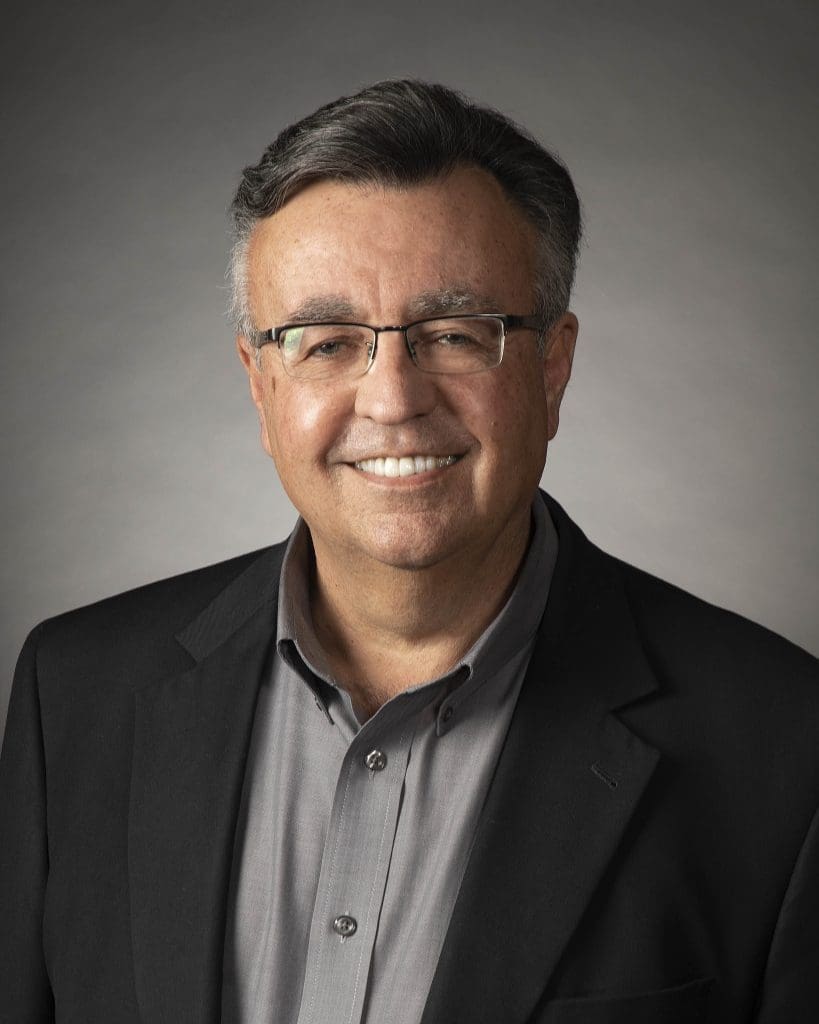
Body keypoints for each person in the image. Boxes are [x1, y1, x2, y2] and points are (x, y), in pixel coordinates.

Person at [1, 79, 817, 1024]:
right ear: (259, 382)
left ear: (552, 368)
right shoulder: (76, 700)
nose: (392, 399)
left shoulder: (781, 750)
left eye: (455, 335)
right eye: (326, 342)